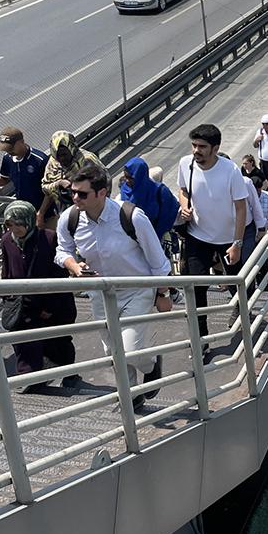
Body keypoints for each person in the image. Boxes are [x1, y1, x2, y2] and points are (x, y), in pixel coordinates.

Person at [57, 164, 172, 411]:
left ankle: (152, 365)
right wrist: (74, 267)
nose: (75, 198)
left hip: (136, 289)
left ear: (102, 193)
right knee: (113, 352)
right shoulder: (71, 218)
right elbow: (62, 250)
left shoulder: (131, 216)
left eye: (82, 194)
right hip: (100, 292)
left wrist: (163, 293)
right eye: (73, 193)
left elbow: (157, 259)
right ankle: (132, 396)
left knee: (129, 350)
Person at [176, 124, 251, 354]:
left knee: (237, 283)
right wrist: (184, 205)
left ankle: (244, 311)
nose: (196, 151)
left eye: (202, 147)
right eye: (194, 145)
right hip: (198, 237)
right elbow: (183, 189)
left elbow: (241, 208)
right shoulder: (185, 164)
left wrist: (237, 244)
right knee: (196, 288)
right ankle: (201, 341)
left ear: (215, 148)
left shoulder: (230, 171)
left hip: (227, 239)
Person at [0, 201, 80, 394]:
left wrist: (50, 307)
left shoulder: (48, 238)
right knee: (23, 340)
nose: (15, 229)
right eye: (10, 225)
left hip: (52, 301)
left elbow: (59, 274)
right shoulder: (6, 241)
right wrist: (7, 298)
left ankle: (69, 373)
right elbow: (6, 271)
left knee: (58, 340)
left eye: (19, 224)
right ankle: (30, 377)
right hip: (22, 302)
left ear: (28, 221)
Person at [39, 131, 101, 230]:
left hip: (91, 210)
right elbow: (45, 187)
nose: (62, 158)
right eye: (58, 155)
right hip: (66, 211)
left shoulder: (87, 160)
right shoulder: (53, 163)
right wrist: (59, 183)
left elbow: (104, 183)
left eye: (64, 154)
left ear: (71, 149)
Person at [0, 127, 49, 211]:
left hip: (45, 212)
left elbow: (50, 190)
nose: (9, 152)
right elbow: (5, 179)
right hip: (24, 211)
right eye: (6, 149)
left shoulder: (40, 160)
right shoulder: (8, 158)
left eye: (11, 148)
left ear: (21, 142)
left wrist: (41, 213)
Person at [120, 157, 179, 241]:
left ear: (140, 176)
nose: (127, 181)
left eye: (131, 178)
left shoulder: (160, 191)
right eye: (125, 176)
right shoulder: (124, 189)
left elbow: (167, 217)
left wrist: (153, 240)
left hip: (156, 239)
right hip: (131, 241)